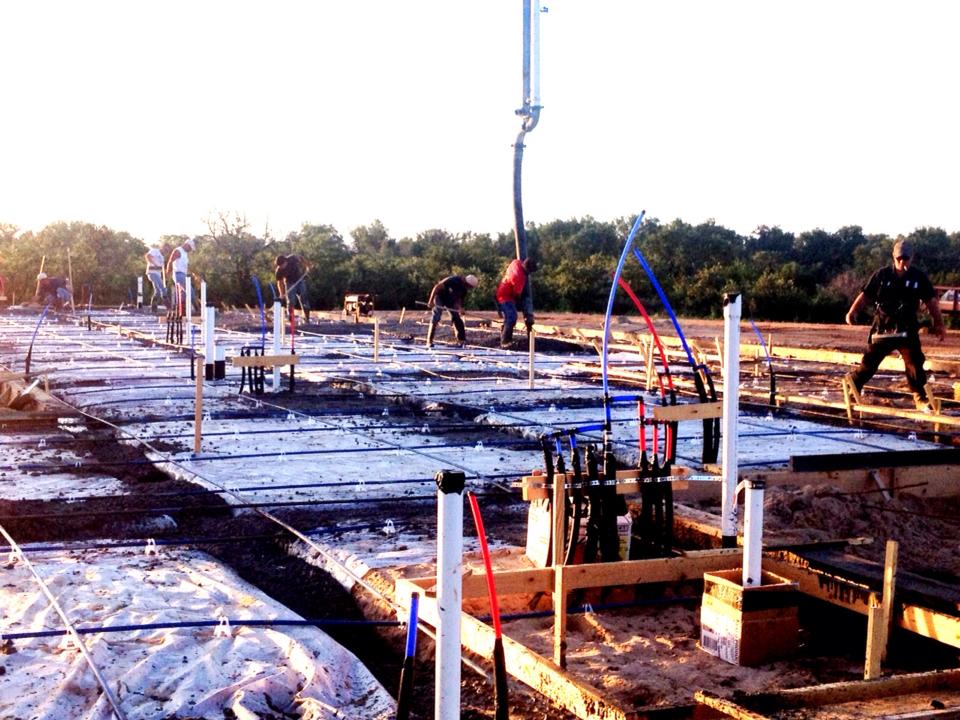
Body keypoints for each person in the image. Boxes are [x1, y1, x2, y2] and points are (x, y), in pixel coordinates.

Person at [844, 239, 945, 412]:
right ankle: (853, 385)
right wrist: (852, 312)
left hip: (907, 327)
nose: (902, 262)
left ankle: (919, 397)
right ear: (893, 256)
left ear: (911, 258)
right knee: (869, 362)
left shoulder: (918, 277)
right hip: (883, 326)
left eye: (905, 258)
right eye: (899, 258)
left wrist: (939, 323)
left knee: (914, 362)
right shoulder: (882, 275)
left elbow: (931, 301)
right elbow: (866, 295)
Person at [426, 274, 479, 348]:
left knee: (456, 318)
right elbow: (437, 287)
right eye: (468, 286)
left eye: (470, 287)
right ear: (465, 282)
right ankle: (429, 341)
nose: (468, 288)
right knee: (437, 315)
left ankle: (461, 341)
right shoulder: (453, 280)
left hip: (450, 301)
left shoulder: (464, 289)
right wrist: (430, 301)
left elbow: (458, 300)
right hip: (440, 297)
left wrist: (460, 308)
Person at [495, 256, 537, 347]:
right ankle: (505, 341)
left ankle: (504, 335)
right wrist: (523, 304)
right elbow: (516, 294)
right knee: (512, 317)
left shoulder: (515, 262)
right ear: (528, 269)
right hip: (506, 297)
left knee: (508, 318)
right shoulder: (520, 277)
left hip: (500, 291)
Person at [275, 254, 312, 323]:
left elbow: (301, 257)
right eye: (279, 266)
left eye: (282, 265)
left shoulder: (293, 258)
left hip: (299, 281)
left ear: (285, 261)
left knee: (304, 298)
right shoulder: (279, 271)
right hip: (289, 283)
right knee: (291, 302)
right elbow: (280, 283)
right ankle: (291, 320)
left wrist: (307, 266)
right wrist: (282, 294)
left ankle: (307, 318)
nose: (281, 267)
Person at [165, 239, 195, 316]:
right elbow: (170, 261)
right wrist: (168, 271)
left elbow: (185, 266)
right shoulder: (178, 251)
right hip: (178, 274)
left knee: (183, 294)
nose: (190, 250)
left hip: (183, 274)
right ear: (187, 245)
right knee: (189, 291)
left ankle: (181, 311)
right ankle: (194, 308)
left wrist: (193, 274)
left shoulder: (185, 253)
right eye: (190, 248)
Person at [144, 244, 167, 311]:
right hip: (152, 272)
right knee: (161, 288)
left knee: (157, 291)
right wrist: (154, 264)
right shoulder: (155, 251)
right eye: (165, 249)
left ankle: (153, 307)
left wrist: (165, 275)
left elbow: (162, 268)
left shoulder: (162, 257)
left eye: (167, 251)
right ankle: (165, 299)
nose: (165, 251)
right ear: (162, 247)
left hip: (158, 274)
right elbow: (147, 256)